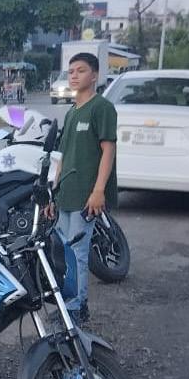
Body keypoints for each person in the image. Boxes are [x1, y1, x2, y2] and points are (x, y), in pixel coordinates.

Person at [50, 52, 118, 325]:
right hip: (66, 194)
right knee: (64, 254)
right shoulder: (72, 112)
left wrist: (99, 190)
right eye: (71, 72)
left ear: (95, 75)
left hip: (86, 195)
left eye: (81, 70)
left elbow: (108, 150)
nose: (74, 76)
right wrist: (53, 194)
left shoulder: (101, 108)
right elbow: (63, 157)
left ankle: (75, 309)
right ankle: (74, 303)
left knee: (78, 253)